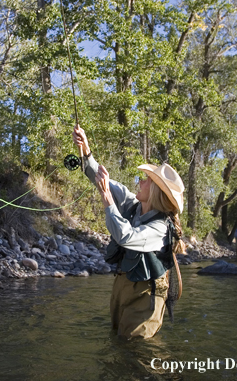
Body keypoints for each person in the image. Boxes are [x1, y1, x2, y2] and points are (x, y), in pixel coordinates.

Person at [72, 125, 185, 339]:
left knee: (137, 351)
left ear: (155, 191)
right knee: (118, 342)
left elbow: (126, 237)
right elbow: (99, 176)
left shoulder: (160, 228)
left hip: (147, 293)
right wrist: (85, 149)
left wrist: (107, 199)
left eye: (145, 180)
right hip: (123, 284)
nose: (139, 181)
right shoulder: (133, 203)